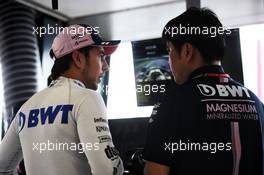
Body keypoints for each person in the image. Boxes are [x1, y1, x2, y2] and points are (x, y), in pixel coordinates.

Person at [143, 7, 264, 175]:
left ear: (187, 51)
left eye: (169, 50)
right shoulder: (257, 103)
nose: (169, 61)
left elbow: (155, 172)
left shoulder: (172, 102)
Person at [0, 24, 124, 175]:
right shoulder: (87, 98)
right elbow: (108, 170)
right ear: (78, 58)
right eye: (101, 56)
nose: (106, 66)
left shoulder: (26, 107)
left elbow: (2, 165)